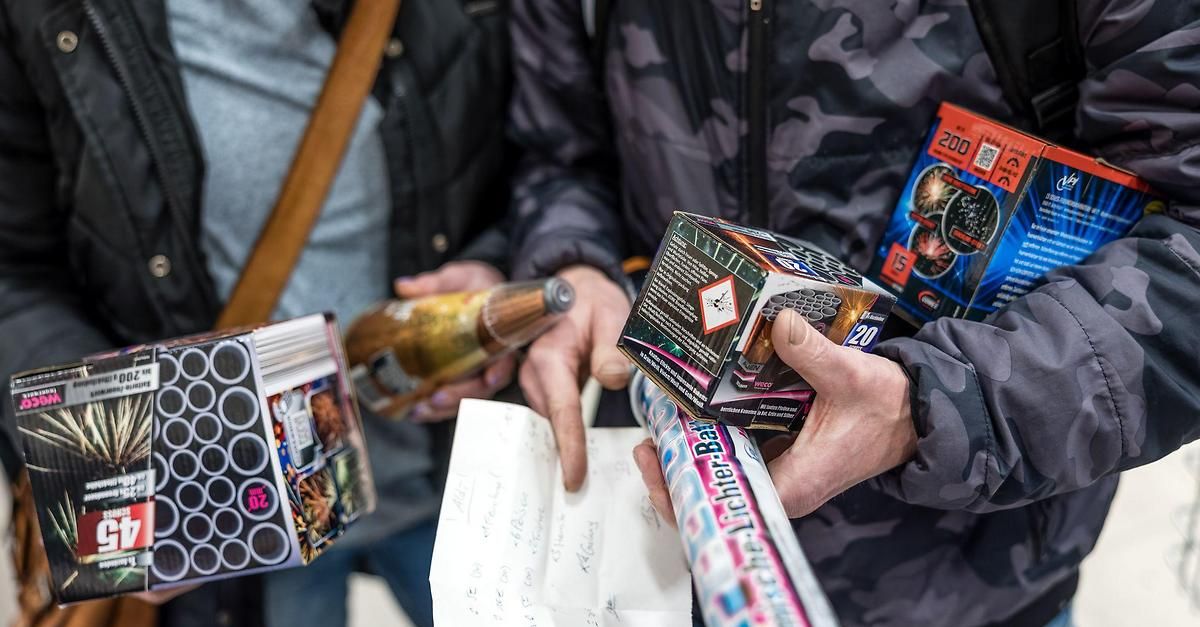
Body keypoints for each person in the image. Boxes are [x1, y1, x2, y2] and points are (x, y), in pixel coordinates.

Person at [507, 1, 1200, 625]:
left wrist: (932, 407)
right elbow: (557, 149)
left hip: (968, 583)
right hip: (665, 559)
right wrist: (573, 271)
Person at [0, 1, 515, 626]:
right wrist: (104, 455)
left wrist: (497, 271)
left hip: (461, 467)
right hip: (228, 522)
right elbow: (15, 267)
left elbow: (554, 149)